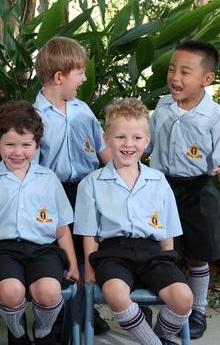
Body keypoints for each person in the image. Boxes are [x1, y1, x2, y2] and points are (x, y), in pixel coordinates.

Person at [75, 97, 193, 345]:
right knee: (115, 293)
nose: (129, 144)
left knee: (183, 298)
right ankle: (153, 343)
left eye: (137, 138)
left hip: (152, 253)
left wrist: (168, 263)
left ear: (147, 142)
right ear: (107, 139)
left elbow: (168, 231)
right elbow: (88, 233)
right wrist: (89, 269)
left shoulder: (158, 181)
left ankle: (158, 337)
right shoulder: (92, 183)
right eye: (120, 137)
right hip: (112, 253)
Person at [144, 40, 220, 339]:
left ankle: (197, 308)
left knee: (199, 252)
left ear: (206, 79)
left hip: (197, 189)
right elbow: (148, 144)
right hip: (159, 187)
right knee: (152, 244)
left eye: (186, 72)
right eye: (173, 69)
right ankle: (146, 302)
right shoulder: (161, 107)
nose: (175, 77)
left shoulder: (215, 116)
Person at [0, 101, 79, 345]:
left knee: (49, 292)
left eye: (26, 145)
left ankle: (43, 331)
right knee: (11, 292)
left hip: (43, 250)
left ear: (37, 145)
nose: (18, 152)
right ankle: (17, 333)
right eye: (10, 144)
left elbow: (61, 228)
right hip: (0, 251)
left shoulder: (49, 180)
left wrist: (72, 262)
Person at [32, 36, 112, 335]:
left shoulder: (83, 111)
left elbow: (104, 152)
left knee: (85, 251)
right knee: (56, 254)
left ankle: (84, 307)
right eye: (79, 72)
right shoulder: (35, 116)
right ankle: (55, 314)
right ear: (59, 76)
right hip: (51, 193)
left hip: (86, 191)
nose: (84, 77)